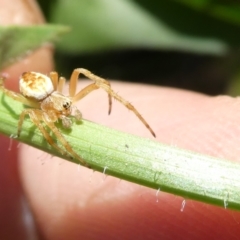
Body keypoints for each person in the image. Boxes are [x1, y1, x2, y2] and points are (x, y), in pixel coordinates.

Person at [1, 0, 240, 239]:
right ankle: (75, 153)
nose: (66, 109)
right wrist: (70, 153)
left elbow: (83, 77)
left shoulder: (63, 93)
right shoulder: (39, 111)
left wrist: (110, 95)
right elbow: (26, 114)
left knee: (82, 74)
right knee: (41, 120)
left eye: (66, 104)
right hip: (36, 93)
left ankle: (118, 112)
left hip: (46, 89)